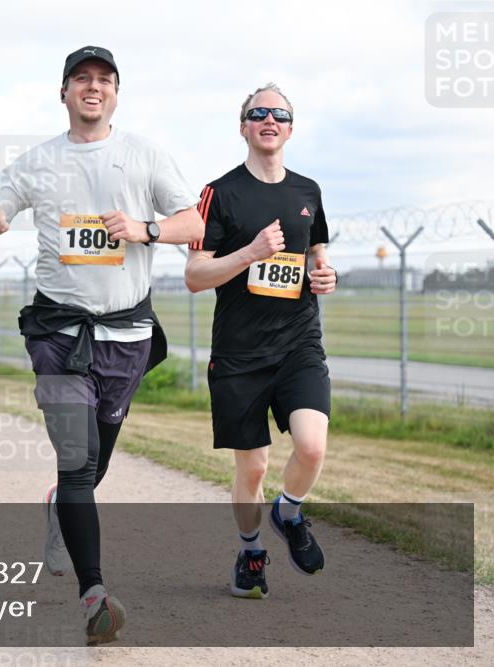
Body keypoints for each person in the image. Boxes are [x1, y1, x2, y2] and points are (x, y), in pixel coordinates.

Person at [0, 46, 203, 645]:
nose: (92, 88)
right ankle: (95, 595)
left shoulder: (144, 155)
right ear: (65, 92)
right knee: (77, 463)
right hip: (59, 334)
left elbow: (193, 225)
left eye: (104, 80)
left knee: (92, 466)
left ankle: (59, 509)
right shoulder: (38, 162)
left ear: (116, 95)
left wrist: (145, 229)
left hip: (128, 335)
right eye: (81, 79)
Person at [185, 83, 337, 600]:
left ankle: (288, 511)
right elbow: (195, 275)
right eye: (258, 113)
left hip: (299, 345)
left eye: (279, 114)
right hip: (239, 354)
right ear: (243, 125)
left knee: (312, 447)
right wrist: (249, 251)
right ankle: (251, 553)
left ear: (291, 127)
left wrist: (324, 274)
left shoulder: (308, 191)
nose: (269, 120)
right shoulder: (219, 193)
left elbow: (316, 251)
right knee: (253, 466)